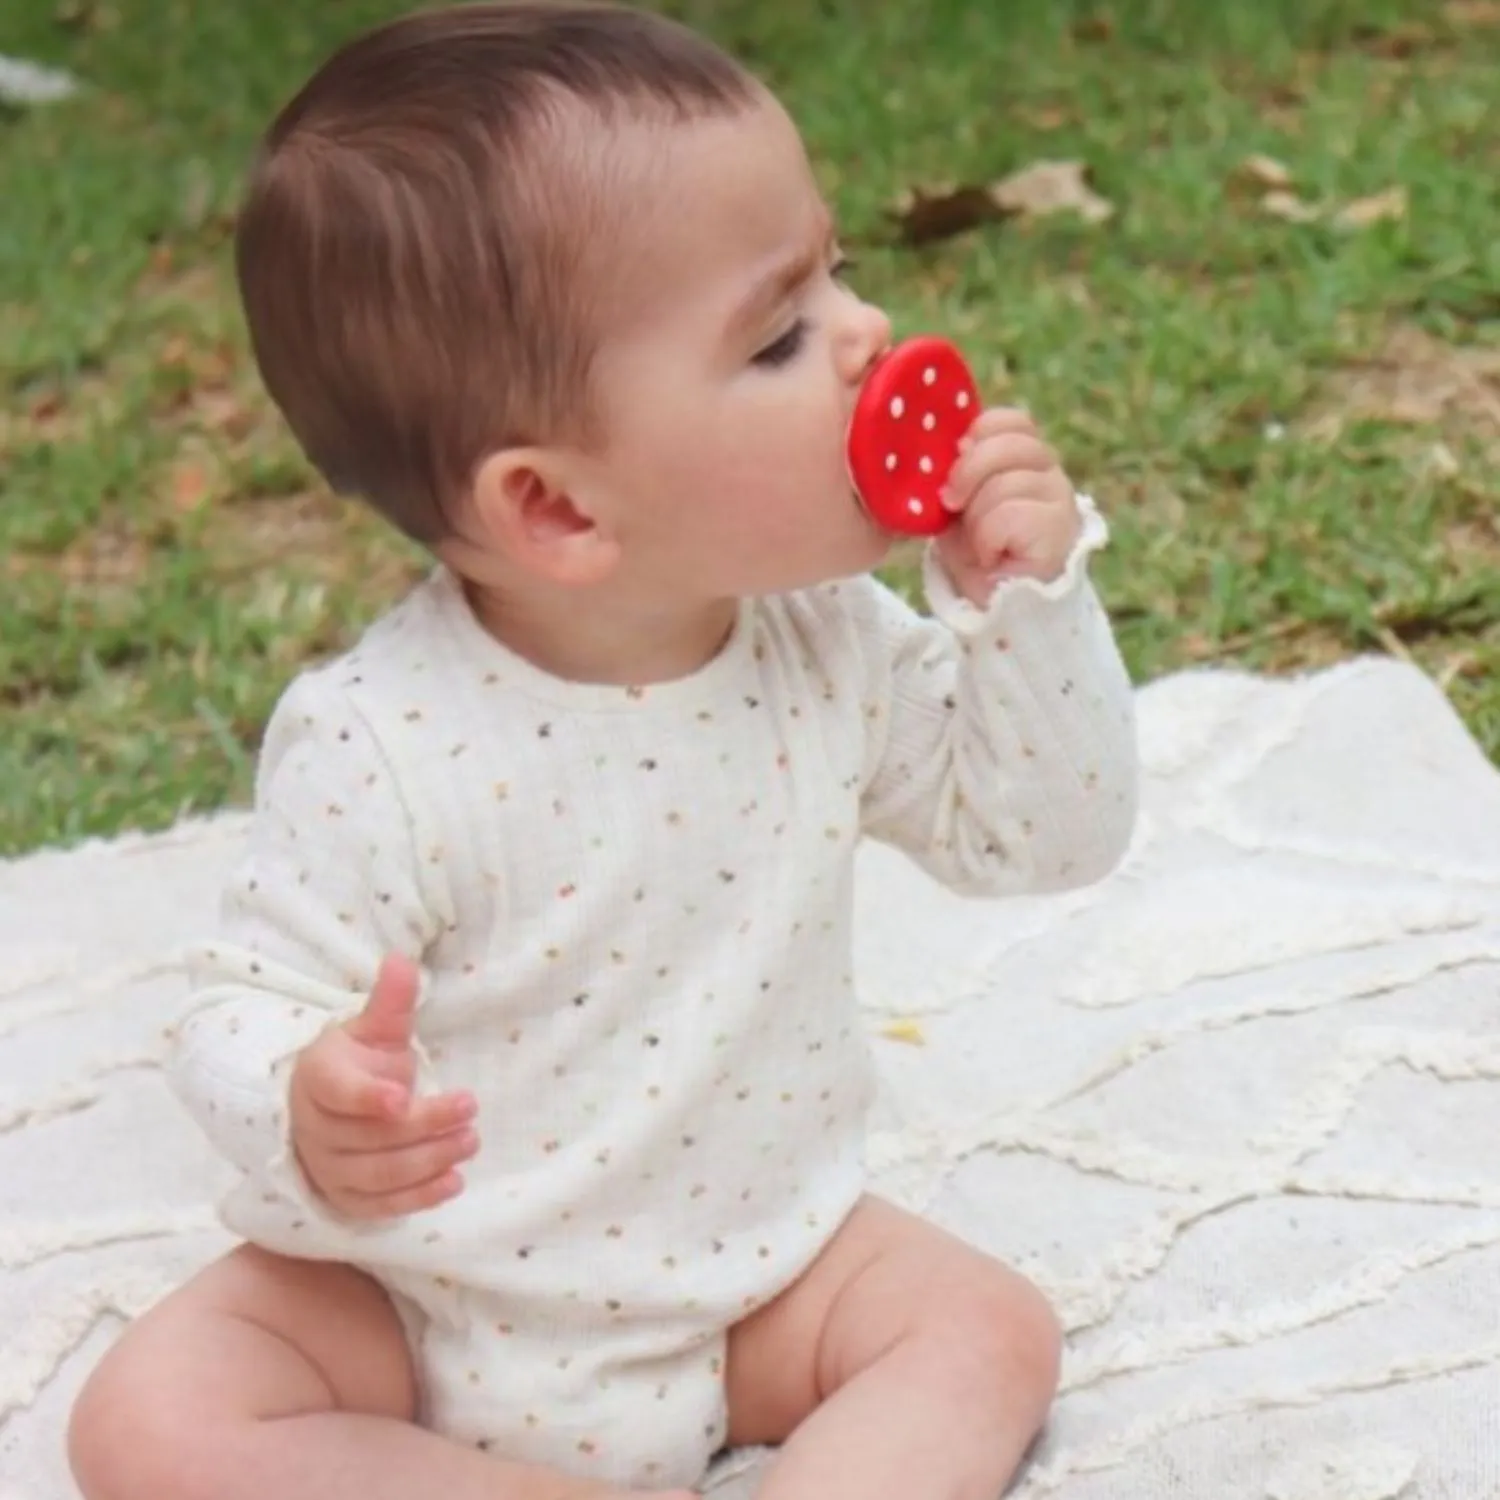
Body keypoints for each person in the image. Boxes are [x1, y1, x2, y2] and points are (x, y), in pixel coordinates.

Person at [66, 6, 1138, 1500]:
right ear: (559, 509)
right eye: (778, 332)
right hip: (422, 1295)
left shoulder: (826, 645)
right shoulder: (385, 742)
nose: (866, 335)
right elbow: (243, 1002)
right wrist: (309, 1100)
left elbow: (1043, 834)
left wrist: (1023, 606)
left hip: (758, 1274)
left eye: (834, 272)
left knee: (981, 1329)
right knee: (146, 1420)